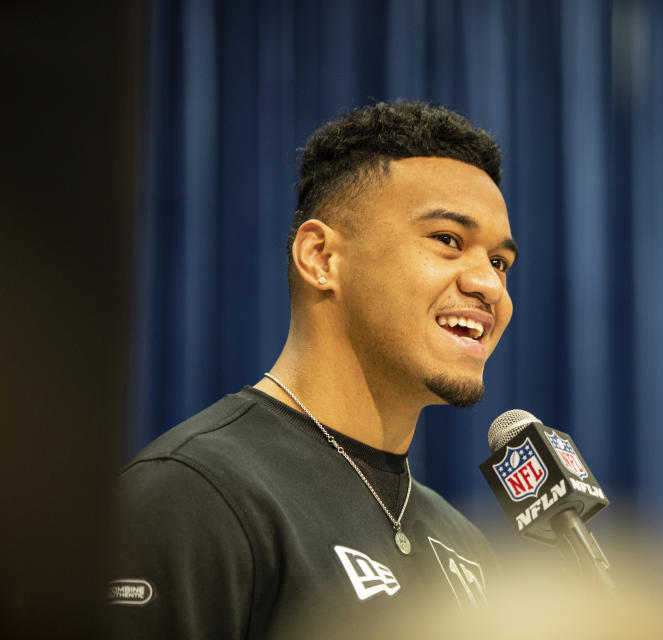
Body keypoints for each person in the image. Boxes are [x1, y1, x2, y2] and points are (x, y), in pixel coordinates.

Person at [108, 102, 518, 638]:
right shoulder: (192, 493)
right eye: (447, 240)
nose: (489, 286)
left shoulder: (464, 543)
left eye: (499, 262)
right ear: (321, 258)